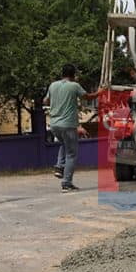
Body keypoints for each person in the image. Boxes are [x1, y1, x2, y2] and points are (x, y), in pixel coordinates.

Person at [44, 64, 92, 192]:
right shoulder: (74, 86)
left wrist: (57, 100)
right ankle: (66, 183)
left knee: (64, 144)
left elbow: (45, 101)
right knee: (71, 154)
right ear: (73, 75)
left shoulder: (53, 85)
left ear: (62, 74)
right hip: (68, 125)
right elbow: (87, 97)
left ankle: (59, 166)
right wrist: (100, 92)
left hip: (54, 124)